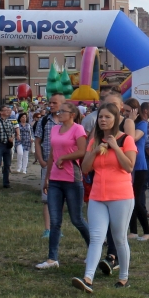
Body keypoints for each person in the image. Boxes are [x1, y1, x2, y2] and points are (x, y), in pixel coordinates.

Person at [73, 104, 137, 293]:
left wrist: (115, 148)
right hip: (98, 196)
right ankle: (88, 278)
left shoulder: (126, 140)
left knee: (119, 237)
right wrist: (94, 151)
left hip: (121, 196)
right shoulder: (94, 141)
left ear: (116, 119)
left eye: (107, 117)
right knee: (96, 238)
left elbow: (129, 167)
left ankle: (124, 277)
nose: (102, 120)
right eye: (100, 116)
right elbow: (85, 168)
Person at [36, 102, 90, 270]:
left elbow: (82, 151)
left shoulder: (78, 129)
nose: (59, 113)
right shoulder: (54, 129)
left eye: (62, 111)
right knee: (55, 221)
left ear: (72, 115)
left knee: (77, 219)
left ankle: (94, 249)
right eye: (59, 111)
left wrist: (64, 158)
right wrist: (47, 176)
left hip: (72, 179)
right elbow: (53, 154)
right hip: (55, 180)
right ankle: (52, 258)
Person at [35, 94, 66, 238]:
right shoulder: (44, 121)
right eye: (50, 103)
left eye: (55, 103)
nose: (51, 105)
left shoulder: (67, 122)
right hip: (47, 164)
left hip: (64, 165)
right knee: (47, 198)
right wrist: (41, 160)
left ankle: (57, 227)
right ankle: (48, 229)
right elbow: (38, 141)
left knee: (61, 198)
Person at [125, 98, 149, 241]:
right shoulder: (130, 123)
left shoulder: (143, 124)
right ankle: (133, 231)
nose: (125, 113)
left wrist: (129, 121)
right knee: (130, 199)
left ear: (134, 111)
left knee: (136, 199)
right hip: (129, 164)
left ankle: (147, 232)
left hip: (139, 166)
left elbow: (132, 138)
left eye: (127, 111)